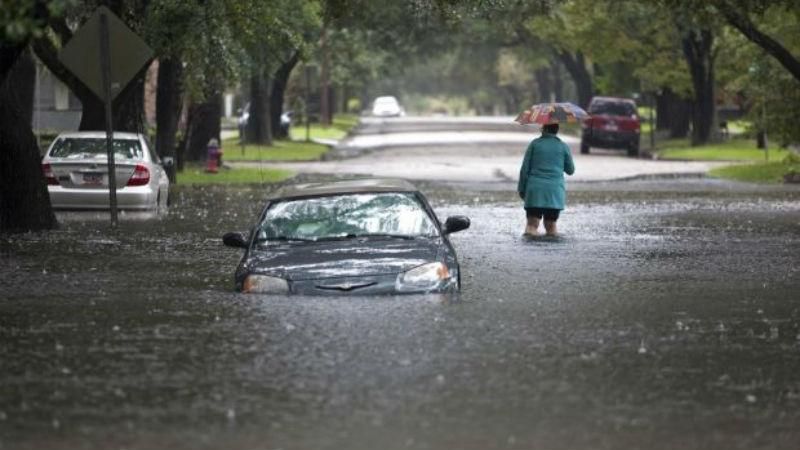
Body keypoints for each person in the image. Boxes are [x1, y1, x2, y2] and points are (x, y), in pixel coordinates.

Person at [517, 122, 575, 237]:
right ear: (556, 130)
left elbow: (524, 170)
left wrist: (522, 189)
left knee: (531, 226)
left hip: (535, 191)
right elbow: (570, 170)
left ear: (544, 129)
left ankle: (530, 253)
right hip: (554, 193)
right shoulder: (563, 146)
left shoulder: (535, 144)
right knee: (551, 226)